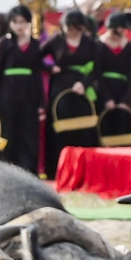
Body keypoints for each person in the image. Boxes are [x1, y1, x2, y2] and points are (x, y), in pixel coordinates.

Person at [0, 4, 48, 175]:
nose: (20, 26)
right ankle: (7, 170)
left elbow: (37, 74)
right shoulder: (4, 44)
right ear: (10, 23)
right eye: (16, 22)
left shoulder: (35, 45)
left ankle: (29, 171)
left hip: (29, 94)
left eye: (23, 22)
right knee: (8, 132)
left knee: (28, 133)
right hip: (7, 94)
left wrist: (41, 101)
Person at [43, 10, 102, 160]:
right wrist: (50, 68)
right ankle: (59, 163)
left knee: (84, 128)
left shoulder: (91, 44)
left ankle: (85, 163)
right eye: (68, 28)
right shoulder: (56, 40)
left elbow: (98, 67)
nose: (71, 32)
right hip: (60, 86)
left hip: (81, 88)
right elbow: (37, 56)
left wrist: (84, 83)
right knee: (61, 125)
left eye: (75, 28)